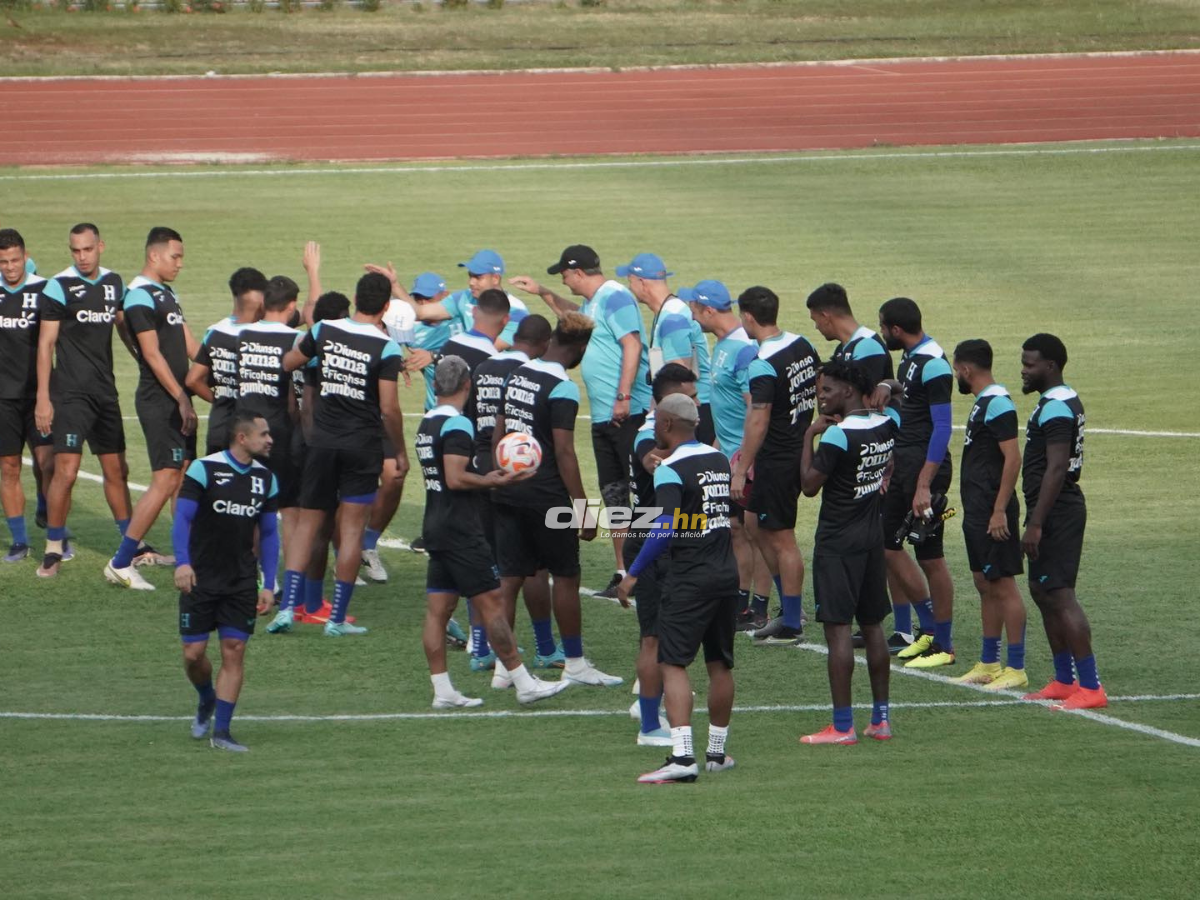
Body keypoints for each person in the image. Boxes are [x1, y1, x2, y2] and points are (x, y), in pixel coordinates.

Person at [418, 356, 569, 709]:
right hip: (460, 530)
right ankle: (524, 683)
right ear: (467, 385)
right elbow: (455, 478)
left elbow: (444, 476)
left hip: (435, 524)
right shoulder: (458, 424)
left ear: (436, 385)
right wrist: (491, 481)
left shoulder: (427, 421)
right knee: (492, 605)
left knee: (438, 610)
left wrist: (483, 478)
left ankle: (443, 690)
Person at [510, 245, 651, 600]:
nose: (563, 280)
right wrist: (544, 292)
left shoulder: (615, 297)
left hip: (627, 413)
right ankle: (623, 572)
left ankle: (648, 570)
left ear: (578, 272)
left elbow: (632, 344)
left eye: (564, 275)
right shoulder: (594, 303)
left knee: (641, 496)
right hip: (605, 417)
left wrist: (623, 395)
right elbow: (573, 319)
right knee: (614, 495)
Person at [492, 311, 623, 688]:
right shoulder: (562, 388)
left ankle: (505, 669)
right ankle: (576, 665)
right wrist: (582, 510)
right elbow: (564, 453)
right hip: (546, 496)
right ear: (580, 347)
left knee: (509, 580)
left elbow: (500, 431)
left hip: (508, 489)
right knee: (566, 576)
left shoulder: (518, 373)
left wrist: (499, 474)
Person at [272, 272, 408, 637]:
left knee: (308, 525)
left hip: (321, 444)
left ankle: (287, 609)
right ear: (385, 307)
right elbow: (389, 409)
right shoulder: (387, 348)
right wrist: (398, 450)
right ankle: (336, 619)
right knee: (350, 532)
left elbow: (289, 363)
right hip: (361, 447)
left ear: (356, 298)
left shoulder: (323, 331)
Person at [618, 393, 739, 783]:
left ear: (668, 424)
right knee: (719, 664)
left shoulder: (669, 468)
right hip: (726, 574)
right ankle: (716, 754)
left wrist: (633, 573)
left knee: (672, 663)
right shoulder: (719, 460)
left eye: (657, 421)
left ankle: (683, 758)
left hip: (690, 578)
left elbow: (665, 527)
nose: (654, 427)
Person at [797, 360, 898, 745]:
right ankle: (881, 720)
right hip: (871, 539)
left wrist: (809, 436)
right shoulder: (886, 422)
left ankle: (842, 727)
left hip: (838, 543)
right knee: (872, 625)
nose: (820, 397)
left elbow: (808, 486)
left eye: (826, 390)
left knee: (838, 629)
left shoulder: (838, 436)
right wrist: (886, 386)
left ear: (849, 391)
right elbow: (899, 392)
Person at [174, 409, 279, 752]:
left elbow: (269, 534)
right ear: (242, 438)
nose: (270, 440)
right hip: (200, 576)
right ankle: (207, 696)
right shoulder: (204, 469)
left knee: (234, 651)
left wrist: (269, 584)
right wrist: (183, 563)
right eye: (264, 434)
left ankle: (221, 732)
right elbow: (182, 519)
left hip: (240, 580)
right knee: (193, 654)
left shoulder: (265, 478)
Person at [34, 223, 134, 577]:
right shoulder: (58, 286)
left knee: (117, 470)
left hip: (105, 392)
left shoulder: (114, 283)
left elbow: (123, 325)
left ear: (100, 246)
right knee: (67, 471)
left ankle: (130, 544)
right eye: (75, 250)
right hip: (71, 394)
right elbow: (46, 344)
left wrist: (142, 358)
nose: (82, 257)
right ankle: (53, 546)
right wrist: (43, 398)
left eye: (87, 249)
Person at [104, 227, 199, 590]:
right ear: (154, 255)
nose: (180, 263)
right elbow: (151, 354)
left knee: (183, 478)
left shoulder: (167, 293)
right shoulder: (139, 296)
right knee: (166, 478)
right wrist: (180, 397)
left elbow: (191, 346)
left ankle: (188, 559)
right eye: (175, 256)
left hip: (177, 398)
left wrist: (227, 367)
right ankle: (121, 562)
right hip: (160, 400)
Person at [1019, 333, 1105, 710]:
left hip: (1056, 510)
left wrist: (1036, 523)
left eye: (1030, 364)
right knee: (1042, 591)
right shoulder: (1060, 399)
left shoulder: (1056, 406)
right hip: (1051, 507)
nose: (1024, 370)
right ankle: (1064, 680)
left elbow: (1056, 468)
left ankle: (1091, 686)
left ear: (1050, 366)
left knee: (1060, 594)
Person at [470, 313, 559, 671]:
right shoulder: (530, 373)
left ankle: (481, 649)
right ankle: (545, 648)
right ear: (544, 343)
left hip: (480, 465)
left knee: (485, 563)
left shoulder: (483, 366)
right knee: (534, 567)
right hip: (517, 471)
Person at [734, 285, 821, 644]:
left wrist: (742, 468)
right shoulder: (802, 344)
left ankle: (792, 620)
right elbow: (818, 384)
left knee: (782, 538)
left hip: (779, 457)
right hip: (794, 448)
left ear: (748, 317)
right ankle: (789, 606)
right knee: (753, 523)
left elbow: (759, 418)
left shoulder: (762, 363)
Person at [878, 296, 956, 666]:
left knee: (930, 556)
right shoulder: (911, 358)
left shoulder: (934, 364)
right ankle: (928, 629)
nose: (882, 333)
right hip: (906, 466)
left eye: (883, 327)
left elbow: (942, 428)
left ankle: (943, 643)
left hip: (925, 471)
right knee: (888, 545)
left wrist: (925, 483)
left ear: (896, 329)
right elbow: (912, 402)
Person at [625, 363, 700, 747]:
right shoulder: (648, 437)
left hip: (664, 542)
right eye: (689, 398)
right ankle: (649, 721)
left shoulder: (674, 436)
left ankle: (655, 701)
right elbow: (649, 460)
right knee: (652, 638)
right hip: (651, 542)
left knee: (664, 634)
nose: (696, 405)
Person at [682, 279, 765, 622]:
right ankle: (742, 599)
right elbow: (726, 408)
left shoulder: (743, 349)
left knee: (757, 533)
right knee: (735, 529)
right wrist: (716, 451)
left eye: (693, 308)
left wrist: (744, 462)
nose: (691, 315)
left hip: (747, 460)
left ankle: (761, 606)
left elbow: (755, 408)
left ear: (708, 310)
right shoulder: (723, 344)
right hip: (729, 456)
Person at [951, 339, 1028, 691]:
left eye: (956, 370)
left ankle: (1016, 666)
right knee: (984, 583)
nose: (956, 376)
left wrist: (999, 510)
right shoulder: (984, 402)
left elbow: (1013, 458)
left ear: (966, 369)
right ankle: (989, 662)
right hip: (978, 508)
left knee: (1003, 585)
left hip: (993, 509)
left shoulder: (997, 403)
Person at [233, 274, 303, 568]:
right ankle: (290, 579)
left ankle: (253, 573)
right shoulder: (294, 339)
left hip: (244, 432)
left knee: (250, 506)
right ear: (292, 305)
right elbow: (294, 395)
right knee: (289, 507)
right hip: (277, 432)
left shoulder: (243, 335)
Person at [0, 228, 61, 563]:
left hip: (40, 396)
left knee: (48, 463)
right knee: (9, 467)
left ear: (26, 257)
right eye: (3, 262)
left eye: (15, 260)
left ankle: (52, 525)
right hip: (3, 399)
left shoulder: (44, 290)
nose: (10, 267)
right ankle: (20, 541)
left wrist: (48, 395)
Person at [618, 252, 714, 443]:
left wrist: (657, 420)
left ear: (642, 282)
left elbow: (679, 379)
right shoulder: (669, 312)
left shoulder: (672, 319)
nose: (629, 287)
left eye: (630, 281)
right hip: (692, 409)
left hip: (692, 412)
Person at [369, 250, 529, 352]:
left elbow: (489, 351)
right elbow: (421, 312)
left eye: (478, 277)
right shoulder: (464, 297)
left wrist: (434, 357)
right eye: (470, 276)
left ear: (495, 278)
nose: (471, 282)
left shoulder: (516, 312)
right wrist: (394, 285)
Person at [186, 268, 268, 455]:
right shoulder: (261, 336)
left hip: (219, 426)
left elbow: (193, 380)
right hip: (250, 434)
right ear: (261, 300)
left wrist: (220, 400)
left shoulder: (215, 332)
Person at [806, 282, 894, 385]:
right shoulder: (842, 348)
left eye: (815, 320)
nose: (816, 327)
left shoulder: (867, 347)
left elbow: (863, 393)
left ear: (825, 317)